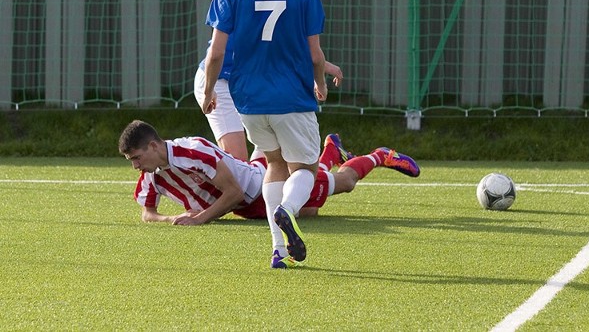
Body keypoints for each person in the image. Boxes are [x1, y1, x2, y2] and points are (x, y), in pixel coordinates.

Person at [200, 0, 328, 267]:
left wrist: (209, 92)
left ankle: (278, 249)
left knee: (272, 162)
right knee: (305, 167)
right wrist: (319, 84)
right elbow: (315, 55)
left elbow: (216, 53)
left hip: (249, 99)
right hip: (292, 95)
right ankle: (287, 209)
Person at [118, 120, 421, 268]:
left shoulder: (193, 151)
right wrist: (171, 217)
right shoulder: (151, 173)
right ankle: (331, 149)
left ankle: (380, 155)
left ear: (155, 146)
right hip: (254, 175)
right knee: (309, 210)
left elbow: (235, 193)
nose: (135, 166)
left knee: (342, 184)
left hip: (260, 190)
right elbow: (147, 213)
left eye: (137, 158)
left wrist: (200, 219)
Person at [193, 0, 342, 162]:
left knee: (274, 159)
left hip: (253, 83)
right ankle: (335, 160)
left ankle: (332, 160)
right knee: (240, 166)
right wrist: (209, 90)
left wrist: (323, 67)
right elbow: (219, 53)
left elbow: (288, 48)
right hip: (220, 81)